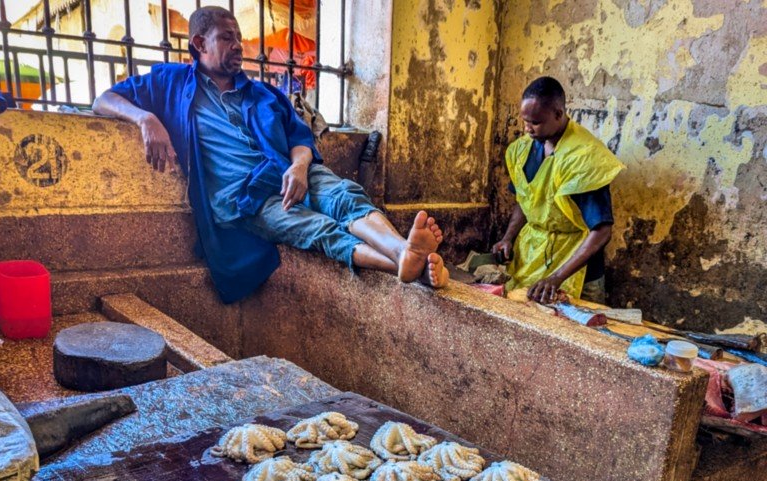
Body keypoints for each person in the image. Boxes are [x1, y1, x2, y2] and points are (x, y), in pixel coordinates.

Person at [92, 6, 448, 303]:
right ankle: (403, 261)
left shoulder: (263, 93)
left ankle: (403, 252)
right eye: (227, 37)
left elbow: (299, 136)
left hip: (291, 171)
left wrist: (299, 166)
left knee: (343, 195)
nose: (238, 46)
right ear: (200, 43)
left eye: (239, 38)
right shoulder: (171, 82)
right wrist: (146, 118)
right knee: (314, 228)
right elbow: (103, 100)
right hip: (246, 199)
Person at [492, 76, 624, 304]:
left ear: (558, 114)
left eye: (535, 122)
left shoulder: (584, 158)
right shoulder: (523, 150)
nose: (527, 128)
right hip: (532, 258)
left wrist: (557, 277)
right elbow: (527, 200)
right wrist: (508, 238)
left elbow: (602, 231)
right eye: (524, 120)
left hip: (575, 269)